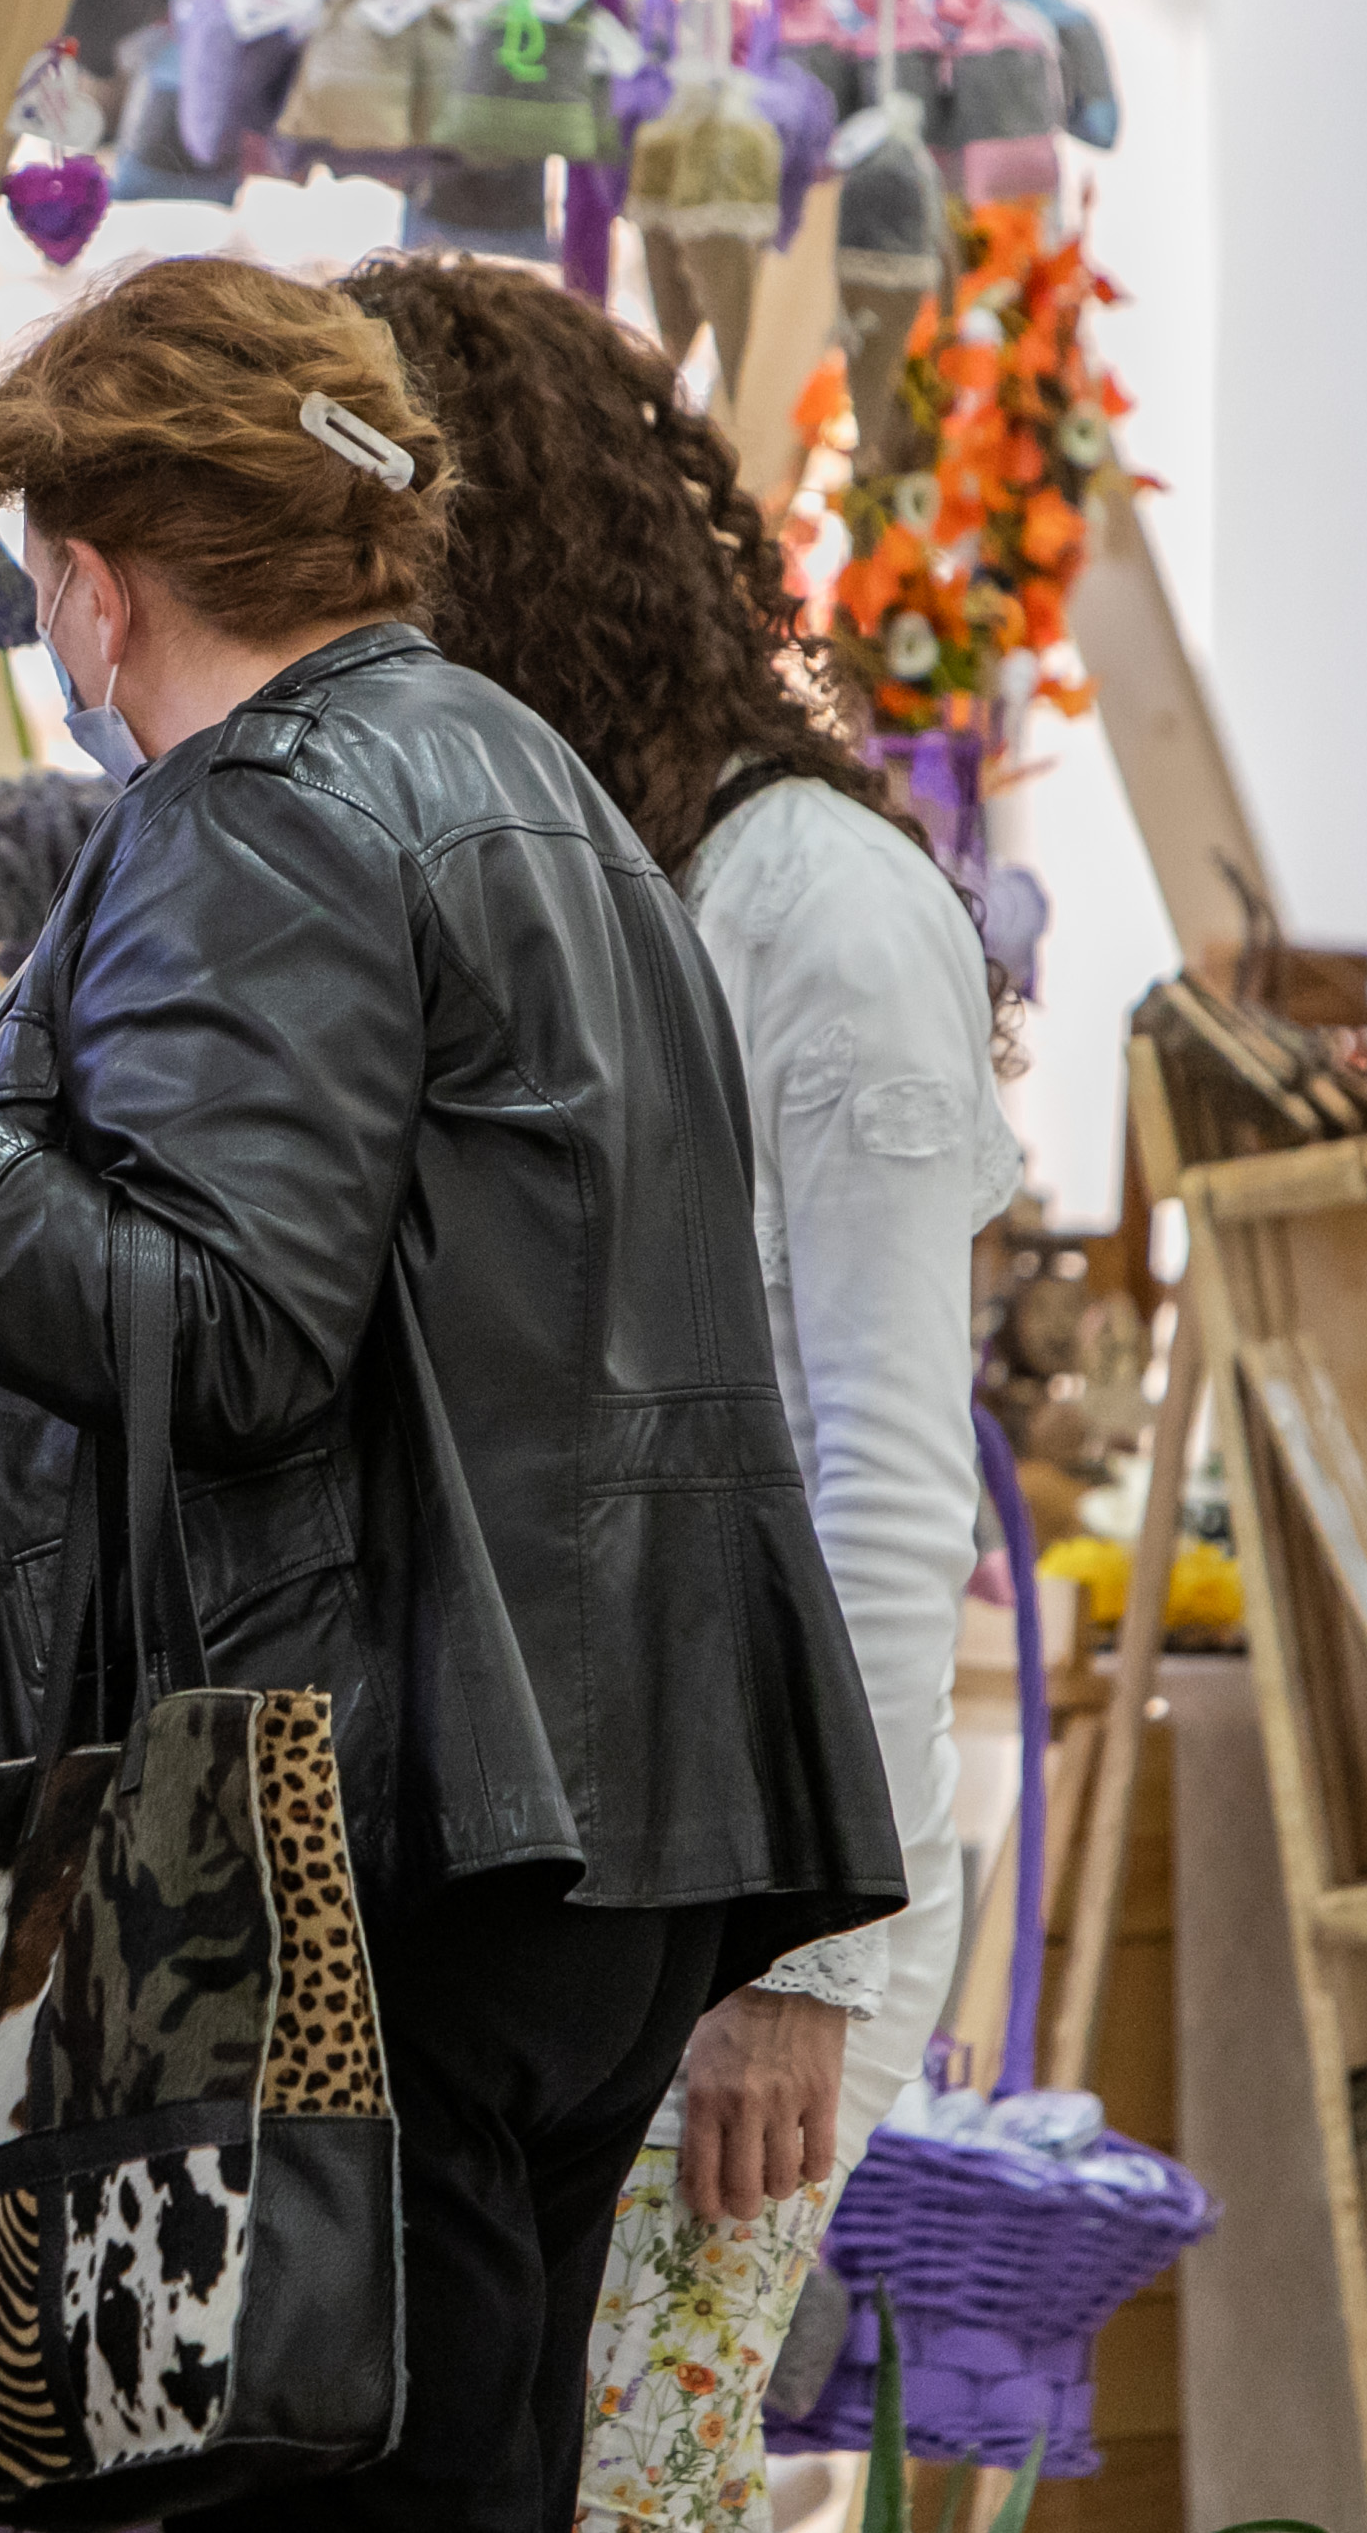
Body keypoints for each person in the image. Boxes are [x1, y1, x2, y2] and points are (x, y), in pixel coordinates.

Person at [0, 255, 901, 2533]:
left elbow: (225, 1337)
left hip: (357, 1860)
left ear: (92, 587)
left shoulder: (264, 811)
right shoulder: (527, 777)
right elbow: (387, 1324)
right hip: (573, 1831)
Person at [341, 250, 1020, 2527]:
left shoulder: (808, 901)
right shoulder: (559, 880)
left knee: (647, 2490)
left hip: (745, 1914)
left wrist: (806, 1968)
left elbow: (889, 1478)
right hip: (572, 1891)